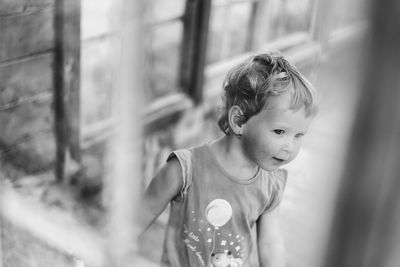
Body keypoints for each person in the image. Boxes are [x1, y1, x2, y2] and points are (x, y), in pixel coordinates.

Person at [138, 52, 318, 267]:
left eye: (299, 135)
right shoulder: (184, 169)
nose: (290, 147)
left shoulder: (272, 182)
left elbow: (269, 242)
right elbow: (142, 213)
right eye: (280, 131)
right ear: (239, 120)